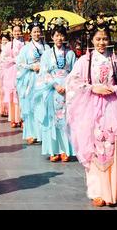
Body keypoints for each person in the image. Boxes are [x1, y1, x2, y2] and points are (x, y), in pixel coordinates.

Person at [65, 15, 117, 207]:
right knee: (94, 149)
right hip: (91, 109)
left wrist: (114, 89)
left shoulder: (116, 61)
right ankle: (97, 191)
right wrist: (92, 88)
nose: (101, 42)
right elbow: (73, 82)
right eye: (98, 39)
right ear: (91, 40)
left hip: (114, 110)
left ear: (109, 40)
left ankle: (113, 193)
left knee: (111, 149)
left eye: (105, 38)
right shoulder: (84, 61)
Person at [33, 17, 76, 162]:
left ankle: (65, 150)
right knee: (52, 120)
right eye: (56, 35)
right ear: (52, 36)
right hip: (52, 90)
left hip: (67, 90)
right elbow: (44, 73)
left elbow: (75, 73)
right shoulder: (46, 54)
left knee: (66, 120)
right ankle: (53, 150)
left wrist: (67, 85)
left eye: (62, 35)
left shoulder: (70, 54)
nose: (59, 38)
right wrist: (55, 85)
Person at [16, 15, 50, 144]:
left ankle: (42, 134)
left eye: (38, 31)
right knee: (30, 107)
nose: (37, 33)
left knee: (43, 106)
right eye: (34, 31)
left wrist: (43, 67)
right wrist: (31, 67)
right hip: (30, 80)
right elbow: (19, 64)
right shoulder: (25, 48)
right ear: (30, 33)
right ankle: (31, 133)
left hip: (43, 80)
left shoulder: (47, 48)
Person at [2, 20, 24, 128]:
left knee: (22, 95)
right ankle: (13, 119)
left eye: (19, 31)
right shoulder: (9, 45)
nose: (17, 33)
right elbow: (4, 58)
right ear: (12, 32)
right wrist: (14, 60)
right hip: (12, 71)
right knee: (12, 96)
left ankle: (22, 118)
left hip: (22, 71)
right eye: (15, 31)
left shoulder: (25, 44)